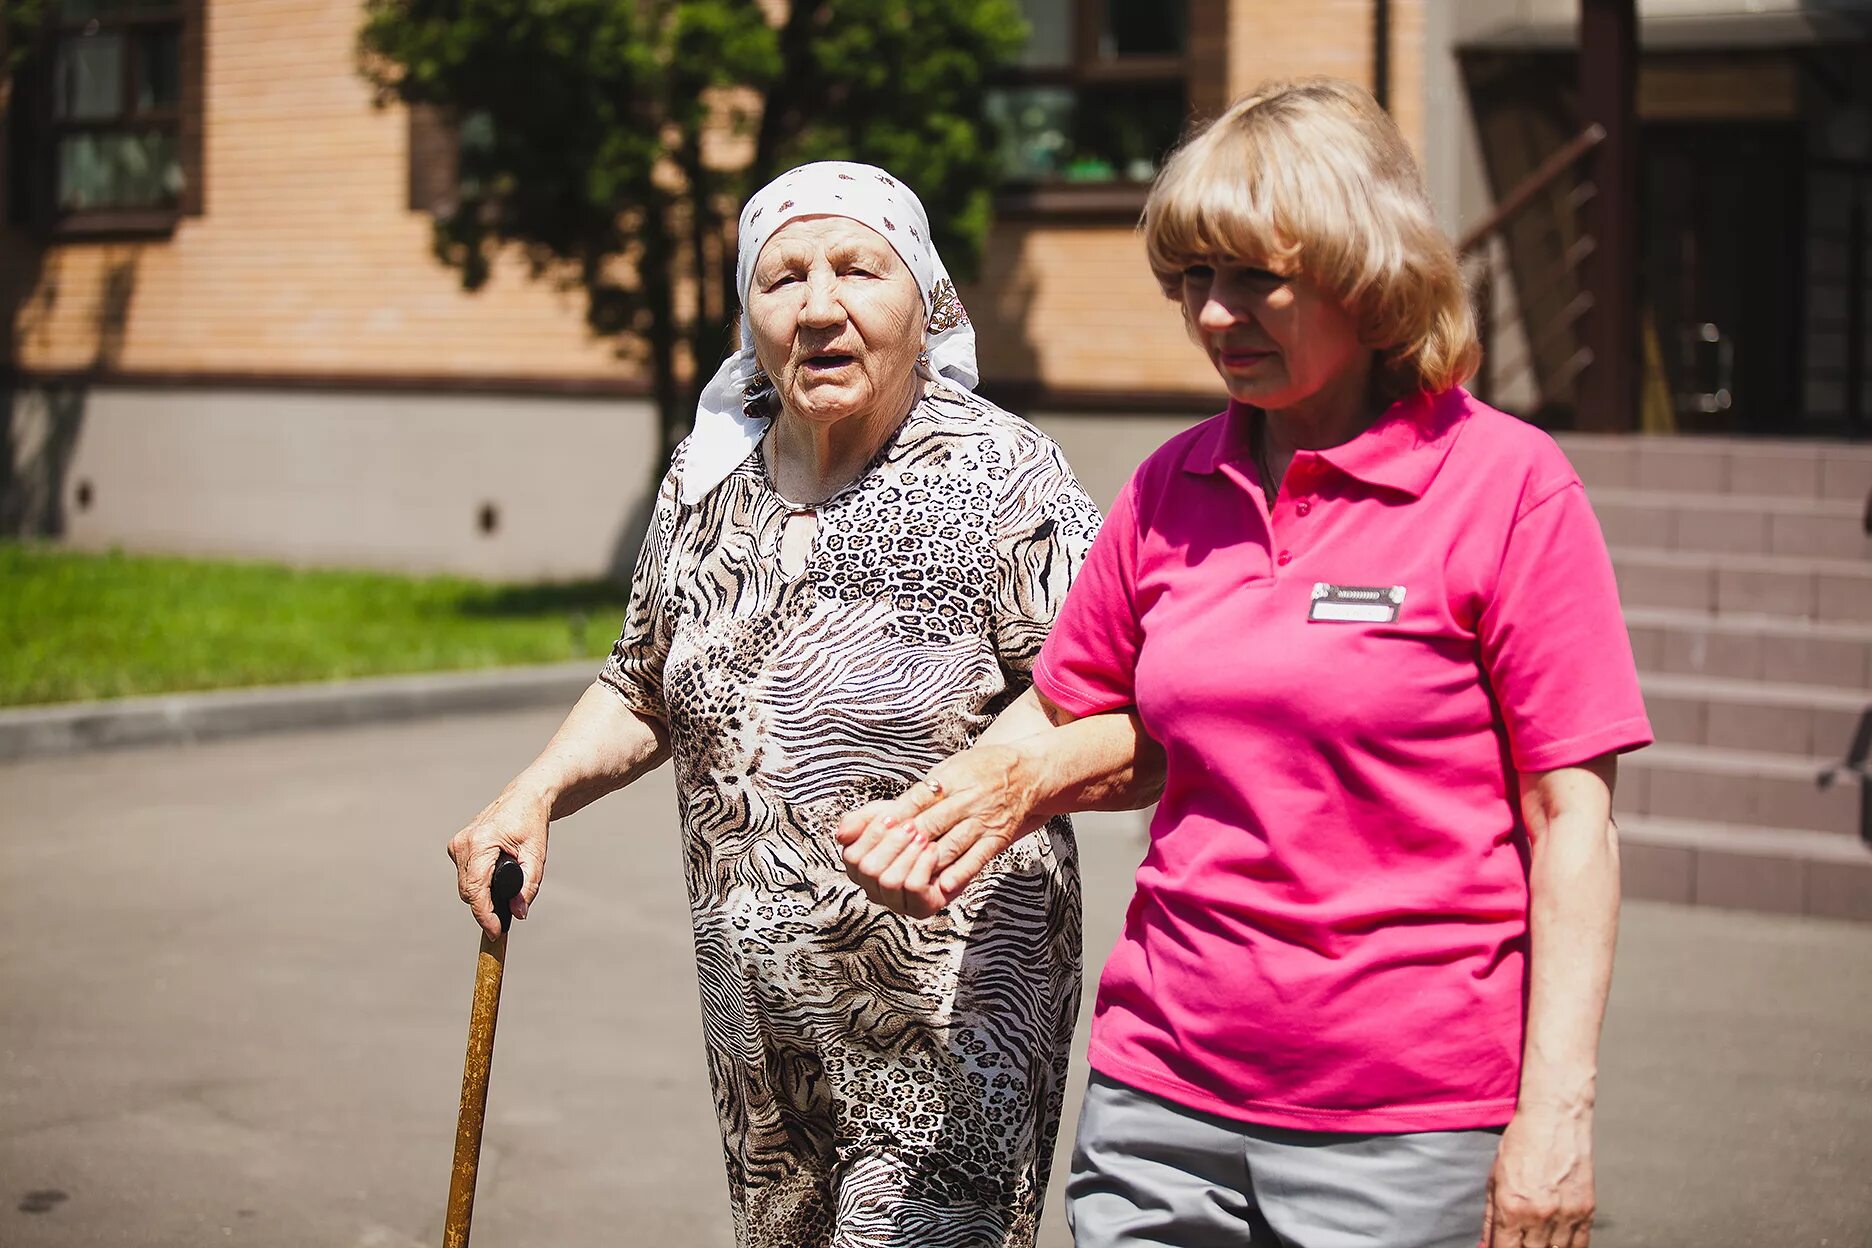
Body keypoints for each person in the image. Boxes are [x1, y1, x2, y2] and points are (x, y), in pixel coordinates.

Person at [839, 79, 1653, 1248]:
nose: (1217, 315)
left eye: (1255, 278)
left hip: (1405, 1123)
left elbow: (1572, 819)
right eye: (1193, 282)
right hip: (1160, 1095)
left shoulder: (1509, 488)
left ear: (1365, 275)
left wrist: (1557, 1113)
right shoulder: (1175, 485)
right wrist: (957, 798)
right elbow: (1070, 701)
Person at [446, 161, 1112, 1248]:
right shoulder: (709, 479)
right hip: (760, 1022)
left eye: (859, 270)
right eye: (784, 277)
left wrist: (981, 799)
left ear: (926, 301)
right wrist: (534, 793)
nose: (819, 306)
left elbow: (1099, 701)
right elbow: (644, 681)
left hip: (948, 1018)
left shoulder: (1006, 477)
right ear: (748, 313)